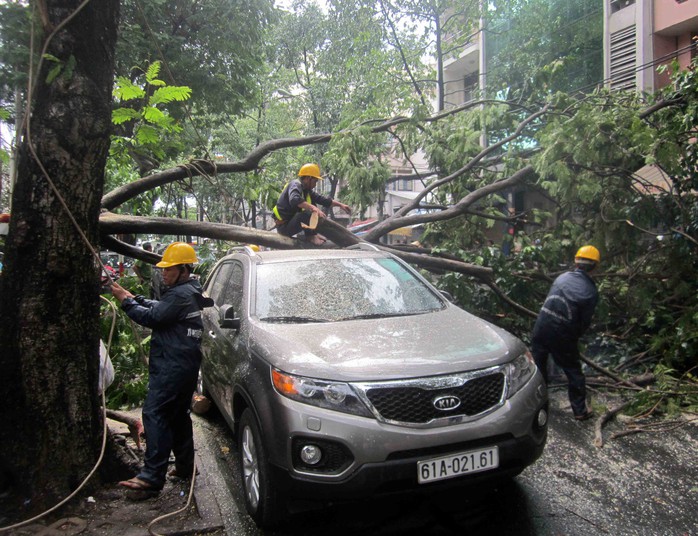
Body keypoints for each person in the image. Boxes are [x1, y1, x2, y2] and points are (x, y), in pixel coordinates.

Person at [110, 242, 209, 499]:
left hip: (172, 366)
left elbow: (152, 318)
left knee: (155, 413)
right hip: (185, 365)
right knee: (177, 416)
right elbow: (161, 309)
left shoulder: (179, 294)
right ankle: (186, 466)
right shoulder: (191, 291)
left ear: (184, 269)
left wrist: (125, 301)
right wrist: (135, 297)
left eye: (169, 269)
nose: (164, 273)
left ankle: (152, 477)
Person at [531, 245, 600, 421]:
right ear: (595, 266)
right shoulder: (590, 291)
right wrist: (573, 339)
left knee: (538, 369)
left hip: (541, 327)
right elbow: (583, 323)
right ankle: (580, 411)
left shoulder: (562, 278)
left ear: (575, 263)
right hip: (562, 334)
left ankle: (537, 406)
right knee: (573, 371)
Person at [272, 163, 351, 246]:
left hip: (289, 224)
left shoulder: (306, 191)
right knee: (308, 212)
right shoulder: (295, 184)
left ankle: (314, 234)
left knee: (313, 207)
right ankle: (310, 236)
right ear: (308, 178)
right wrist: (313, 208)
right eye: (315, 181)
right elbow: (294, 199)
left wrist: (341, 205)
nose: (315, 184)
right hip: (284, 227)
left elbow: (322, 200)